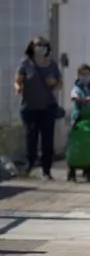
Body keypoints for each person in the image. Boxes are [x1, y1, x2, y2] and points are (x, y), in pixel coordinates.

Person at [14, 35, 63, 180]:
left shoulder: (52, 64)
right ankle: (29, 165)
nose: (40, 47)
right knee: (31, 138)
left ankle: (46, 169)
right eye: (37, 45)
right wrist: (18, 87)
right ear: (32, 47)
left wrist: (53, 82)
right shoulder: (26, 63)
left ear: (47, 48)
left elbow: (60, 84)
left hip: (47, 107)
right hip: (29, 107)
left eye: (43, 45)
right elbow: (18, 79)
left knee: (48, 140)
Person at [67, 64, 90, 182]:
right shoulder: (77, 87)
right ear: (78, 76)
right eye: (82, 74)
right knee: (77, 142)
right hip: (78, 119)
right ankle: (74, 164)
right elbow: (73, 95)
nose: (85, 77)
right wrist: (78, 99)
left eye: (87, 74)